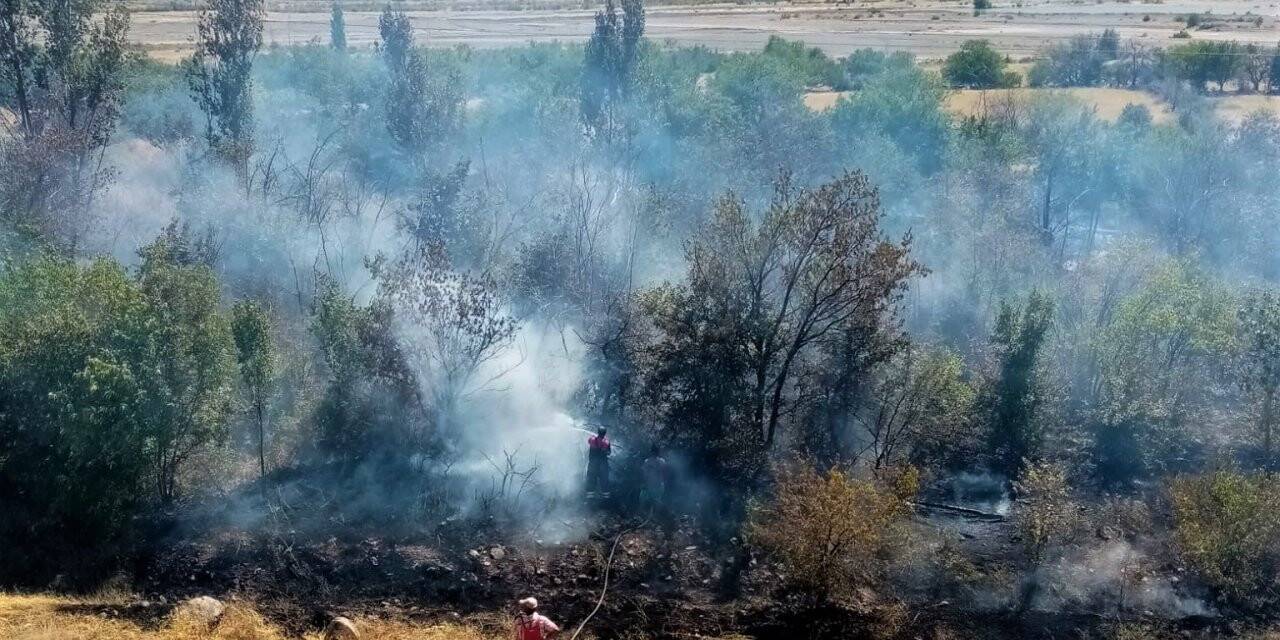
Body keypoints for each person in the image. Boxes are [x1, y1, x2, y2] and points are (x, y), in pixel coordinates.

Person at [585, 427, 612, 495]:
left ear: (598, 432)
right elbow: (609, 453)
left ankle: (590, 496)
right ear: (605, 433)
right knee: (604, 480)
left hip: (592, 465)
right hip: (602, 465)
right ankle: (606, 497)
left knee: (591, 479)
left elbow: (589, 441)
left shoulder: (592, 439)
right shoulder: (606, 442)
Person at [641, 445, 668, 510]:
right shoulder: (661, 461)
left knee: (646, 500)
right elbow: (665, 473)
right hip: (656, 484)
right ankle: (652, 516)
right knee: (654, 501)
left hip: (654, 484)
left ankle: (651, 516)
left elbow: (644, 474)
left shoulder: (648, 461)